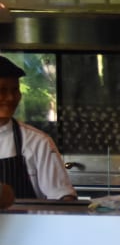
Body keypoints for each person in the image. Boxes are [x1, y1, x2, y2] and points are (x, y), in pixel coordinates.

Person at [0, 55, 77, 201]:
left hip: (29, 217)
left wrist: (66, 205)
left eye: (15, 90)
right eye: (2, 90)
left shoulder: (38, 142)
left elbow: (63, 197)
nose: (10, 98)